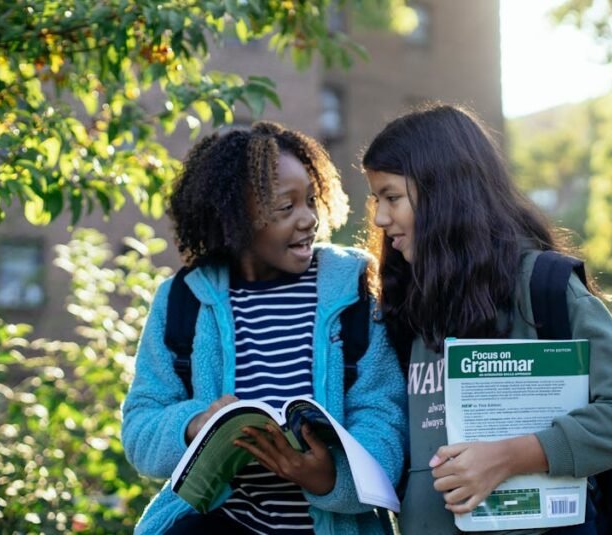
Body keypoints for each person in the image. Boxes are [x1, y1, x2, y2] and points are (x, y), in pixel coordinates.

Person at [362, 103, 612, 534]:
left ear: (443, 192)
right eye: (376, 199)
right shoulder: (406, 302)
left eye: (392, 197)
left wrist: (509, 457)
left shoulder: (541, 287)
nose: (379, 218)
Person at [122, 122, 406, 534]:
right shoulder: (182, 300)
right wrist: (195, 425)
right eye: (286, 207)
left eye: (311, 199)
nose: (309, 219)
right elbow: (140, 430)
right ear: (234, 218)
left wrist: (329, 478)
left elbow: (384, 417)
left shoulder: (354, 289)